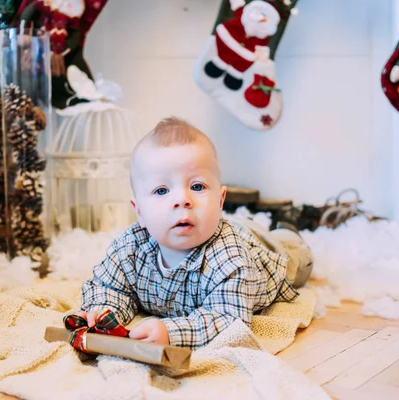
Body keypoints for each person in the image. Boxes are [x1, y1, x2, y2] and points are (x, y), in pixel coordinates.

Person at [75, 116, 312, 349]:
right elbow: (109, 287)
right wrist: (104, 311)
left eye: (197, 187)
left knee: (297, 255)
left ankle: (289, 222)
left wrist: (171, 332)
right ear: (140, 212)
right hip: (222, 226)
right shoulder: (131, 247)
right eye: (161, 190)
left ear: (220, 200)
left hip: (266, 249)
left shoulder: (231, 260)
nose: (182, 200)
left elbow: (228, 319)